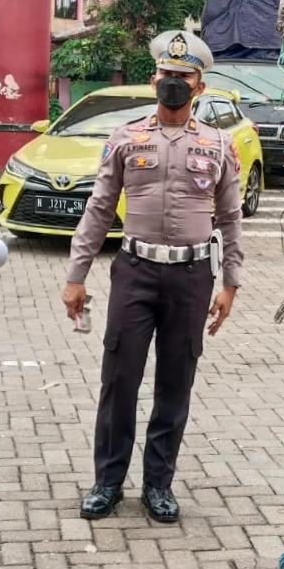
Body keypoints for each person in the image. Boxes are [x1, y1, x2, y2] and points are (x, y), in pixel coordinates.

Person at [63, 29, 244, 524]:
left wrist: (230, 283)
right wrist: (76, 275)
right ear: (153, 80)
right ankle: (108, 481)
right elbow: (99, 209)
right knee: (119, 379)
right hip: (135, 272)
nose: (174, 84)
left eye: (184, 78)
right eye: (167, 76)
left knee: (174, 382)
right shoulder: (125, 138)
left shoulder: (218, 144)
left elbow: (230, 219)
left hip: (190, 278)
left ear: (199, 86)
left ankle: (158, 484)